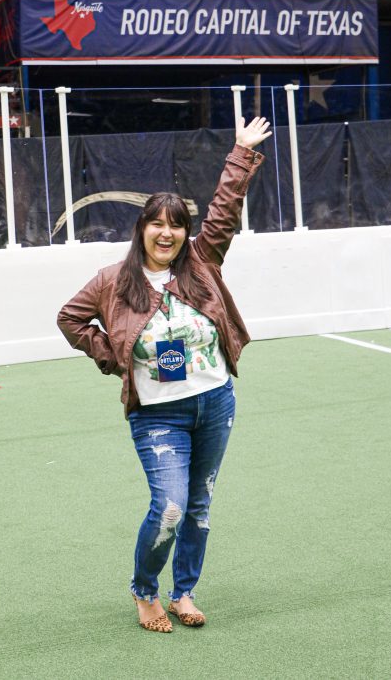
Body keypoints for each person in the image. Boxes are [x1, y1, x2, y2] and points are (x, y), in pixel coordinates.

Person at [57, 116, 271, 633]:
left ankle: (184, 592)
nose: (167, 233)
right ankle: (144, 591)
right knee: (170, 506)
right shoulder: (112, 281)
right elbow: (69, 319)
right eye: (157, 223)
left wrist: (241, 152)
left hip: (215, 401)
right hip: (158, 415)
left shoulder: (201, 262)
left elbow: (224, 211)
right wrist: (113, 356)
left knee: (199, 505)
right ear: (142, 229)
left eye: (176, 225)